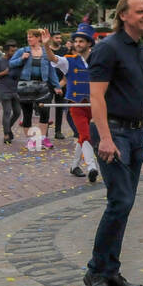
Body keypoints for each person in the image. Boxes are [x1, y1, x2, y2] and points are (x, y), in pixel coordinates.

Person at [84, 0, 143, 286]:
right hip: (114, 134)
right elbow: (96, 97)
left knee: (125, 203)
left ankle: (110, 271)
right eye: (140, 11)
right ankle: (95, 271)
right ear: (123, 16)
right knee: (119, 201)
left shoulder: (141, 49)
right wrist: (104, 138)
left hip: (135, 136)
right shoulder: (108, 49)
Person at [10, 29, 63, 148]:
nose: (29, 39)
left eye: (31, 37)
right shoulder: (22, 51)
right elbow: (11, 64)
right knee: (27, 113)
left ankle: (43, 138)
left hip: (42, 85)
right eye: (28, 37)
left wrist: (56, 86)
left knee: (45, 112)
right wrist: (21, 59)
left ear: (38, 38)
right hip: (25, 85)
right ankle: (30, 140)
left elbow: (51, 70)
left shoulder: (46, 52)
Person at [64, 23, 98, 182]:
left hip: (93, 103)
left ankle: (74, 165)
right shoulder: (69, 60)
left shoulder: (97, 59)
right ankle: (92, 167)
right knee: (86, 134)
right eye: (76, 41)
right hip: (76, 104)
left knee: (82, 136)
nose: (77, 44)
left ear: (89, 43)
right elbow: (53, 59)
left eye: (81, 41)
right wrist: (46, 46)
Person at [0, 40, 21, 144]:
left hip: (16, 89)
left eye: (15, 50)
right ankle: (6, 134)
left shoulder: (17, 61)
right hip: (4, 89)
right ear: (6, 51)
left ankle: (8, 128)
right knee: (7, 112)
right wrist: (3, 73)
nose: (14, 53)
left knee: (17, 112)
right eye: (12, 51)